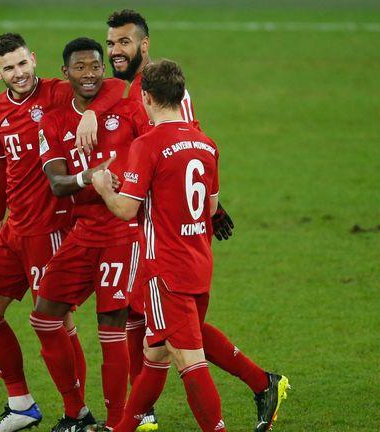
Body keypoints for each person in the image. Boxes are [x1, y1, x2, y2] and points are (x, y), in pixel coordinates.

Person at [105, 10, 286, 432]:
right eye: (111, 43)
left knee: (186, 356)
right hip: (197, 255)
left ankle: (236, 408)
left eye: (123, 43)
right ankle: (129, 425)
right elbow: (207, 199)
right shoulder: (205, 141)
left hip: (161, 259)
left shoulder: (147, 132)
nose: (115, 50)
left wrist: (103, 187)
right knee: (157, 350)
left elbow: (130, 202)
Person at [0, 33, 126, 432]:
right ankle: (21, 402)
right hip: (14, 228)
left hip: (51, 226)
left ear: (34, 60)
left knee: (56, 322)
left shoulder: (58, 92)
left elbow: (109, 84)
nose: (19, 73)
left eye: (23, 64)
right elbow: (3, 164)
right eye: (9, 67)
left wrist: (93, 112)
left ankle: (77, 412)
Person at [31, 37, 150, 432]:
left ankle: (118, 423)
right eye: (80, 67)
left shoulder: (125, 104)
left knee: (110, 327)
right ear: (65, 72)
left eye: (95, 66)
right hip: (82, 232)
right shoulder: (51, 120)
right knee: (45, 316)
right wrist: (90, 178)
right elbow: (57, 184)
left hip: (122, 231)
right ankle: (76, 411)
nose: (89, 75)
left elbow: (152, 149)